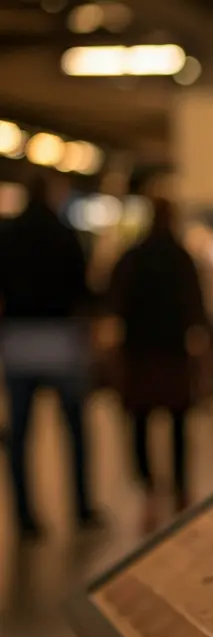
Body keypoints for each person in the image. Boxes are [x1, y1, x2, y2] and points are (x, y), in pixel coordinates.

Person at [0, 172, 103, 540]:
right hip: (60, 339)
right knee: (74, 429)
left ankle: (25, 516)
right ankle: (81, 506)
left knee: (20, 433)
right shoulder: (65, 235)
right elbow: (83, 290)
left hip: (19, 338)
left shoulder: (8, 234)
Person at [108, 198, 208, 530]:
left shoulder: (132, 257)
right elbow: (196, 305)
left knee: (140, 421)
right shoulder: (181, 258)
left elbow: (115, 301)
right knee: (179, 421)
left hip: (139, 352)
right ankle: (181, 489)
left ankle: (150, 490)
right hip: (173, 352)